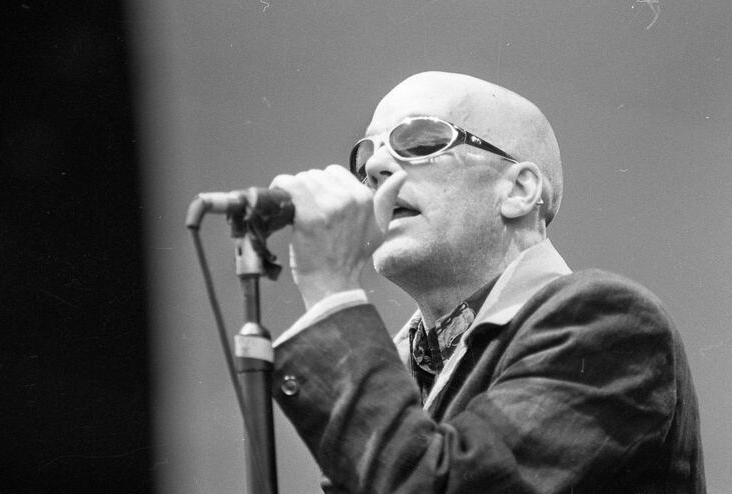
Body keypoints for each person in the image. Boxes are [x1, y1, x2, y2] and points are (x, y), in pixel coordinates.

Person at [268, 71, 704, 493]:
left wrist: (330, 292)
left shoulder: (605, 322)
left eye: (418, 141)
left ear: (518, 191)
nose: (376, 166)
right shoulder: (401, 368)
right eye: (367, 156)